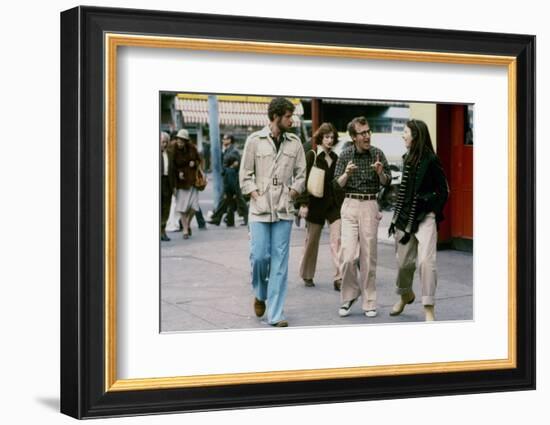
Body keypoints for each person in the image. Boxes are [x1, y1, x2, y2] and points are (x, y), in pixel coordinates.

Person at [239, 97, 306, 327]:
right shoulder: (254, 141)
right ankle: (260, 293)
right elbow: (244, 175)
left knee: (280, 264)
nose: (292, 119)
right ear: (275, 116)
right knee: (260, 257)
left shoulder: (295, 143)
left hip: (284, 211)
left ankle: (275, 314)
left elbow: (301, 175)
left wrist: (293, 193)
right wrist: (256, 195)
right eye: (288, 116)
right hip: (259, 210)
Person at [388, 119, 449, 321]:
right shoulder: (407, 158)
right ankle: (405, 295)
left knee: (426, 261)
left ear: (415, 135)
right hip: (405, 218)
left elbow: (444, 191)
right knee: (404, 263)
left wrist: (429, 205)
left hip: (426, 217)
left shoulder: (431, 160)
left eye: (405, 132)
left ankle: (428, 307)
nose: (403, 135)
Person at [333, 116, 391, 318]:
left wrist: (381, 173)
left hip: (369, 204)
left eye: (368, 132)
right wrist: (346, 174)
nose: (367, 136)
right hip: (349, 204)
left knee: (368, 257)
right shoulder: (345, 155)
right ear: (353, 136)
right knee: (348, 256)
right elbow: (336, 185)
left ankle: (369, 301)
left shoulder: (378, 154)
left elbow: (386, 182)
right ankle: (349, 296)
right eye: (362, 133)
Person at [296, 122, 344, 291]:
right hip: (315, 204)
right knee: (312, 241)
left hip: (333, 205)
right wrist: (303, 203)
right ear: (320, 138)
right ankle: (307, 274)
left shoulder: (336, 158)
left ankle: (340, 277)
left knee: (337, 240)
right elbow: (302, 180)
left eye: (332, 137)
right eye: (326, 137)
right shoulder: (312, 155)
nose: (330, 140)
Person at [208, 134, 248, 227]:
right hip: (229, 177)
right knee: (229, 200)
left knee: (237, 199)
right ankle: (226, 220)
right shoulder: (226, 150)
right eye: (223, 139)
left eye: (225, 139)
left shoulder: (233, 151)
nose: (223, 140)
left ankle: (217, 218)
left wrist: (229, 167)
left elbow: (236, 164)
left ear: (230, 140)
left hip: (232, 178)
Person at [171, 129, 201, 239]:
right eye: (178, 141)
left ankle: (187, 223)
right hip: (181, 183)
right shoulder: (173, 149)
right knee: (182, 207)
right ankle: (185, 229)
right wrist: (178, 173)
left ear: (186, 141)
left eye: (182, 141)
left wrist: (195, 163)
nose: (180, 143)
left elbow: (199, 160)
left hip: (192, 181)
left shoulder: (192, 148)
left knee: (194, 207)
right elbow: (171, 166)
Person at [160, 131, 174, 241]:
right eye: (162, 142)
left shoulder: (170, 153)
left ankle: (162, 230)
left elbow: (173, 170)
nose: (164, 144)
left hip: (167, 183)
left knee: (166, 208)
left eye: (166, 142)